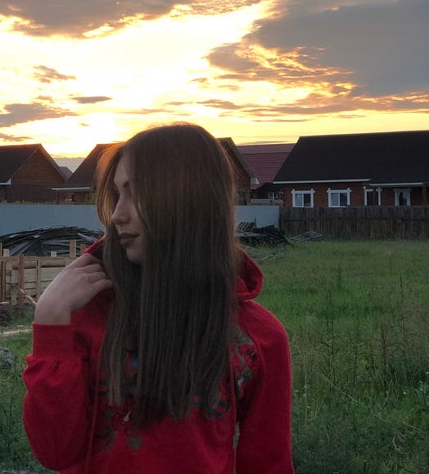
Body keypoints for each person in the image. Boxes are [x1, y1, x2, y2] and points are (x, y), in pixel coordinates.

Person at [23, 123, 294, 473]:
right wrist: (50, 324)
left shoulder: (257, 338)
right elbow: (54, 452)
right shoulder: (88, 312)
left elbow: (268, 464)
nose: (117, 215)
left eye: (135, 194)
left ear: (189, 201)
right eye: (117, 194)